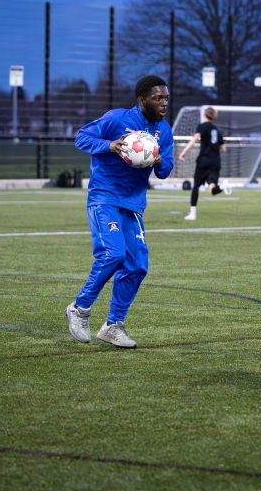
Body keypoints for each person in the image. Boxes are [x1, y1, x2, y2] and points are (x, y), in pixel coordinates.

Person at [65, 75, 174, 348]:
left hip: (133, 204)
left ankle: (113, 325)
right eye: (157, 98)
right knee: (113, 254)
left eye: (166, 98)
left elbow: (164, 171)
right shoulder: (116, 119)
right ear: (142, 99)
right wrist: (110, 145)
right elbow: (82, 137)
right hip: (104, 197)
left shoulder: (165, 131)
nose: (164, 103)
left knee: (137, 267)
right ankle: (79, 309)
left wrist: (158, 160)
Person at [178, 107, 227, 220]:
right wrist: (214, 150)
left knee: (196, 186)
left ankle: (193, 214)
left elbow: (195, 139)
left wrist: (184, 152)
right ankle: (223, 187)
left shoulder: (203, 126)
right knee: (212, 189)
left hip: (204, 160)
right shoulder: (217, 130)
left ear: (205, 115)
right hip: (216, 161)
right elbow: (223, 149)